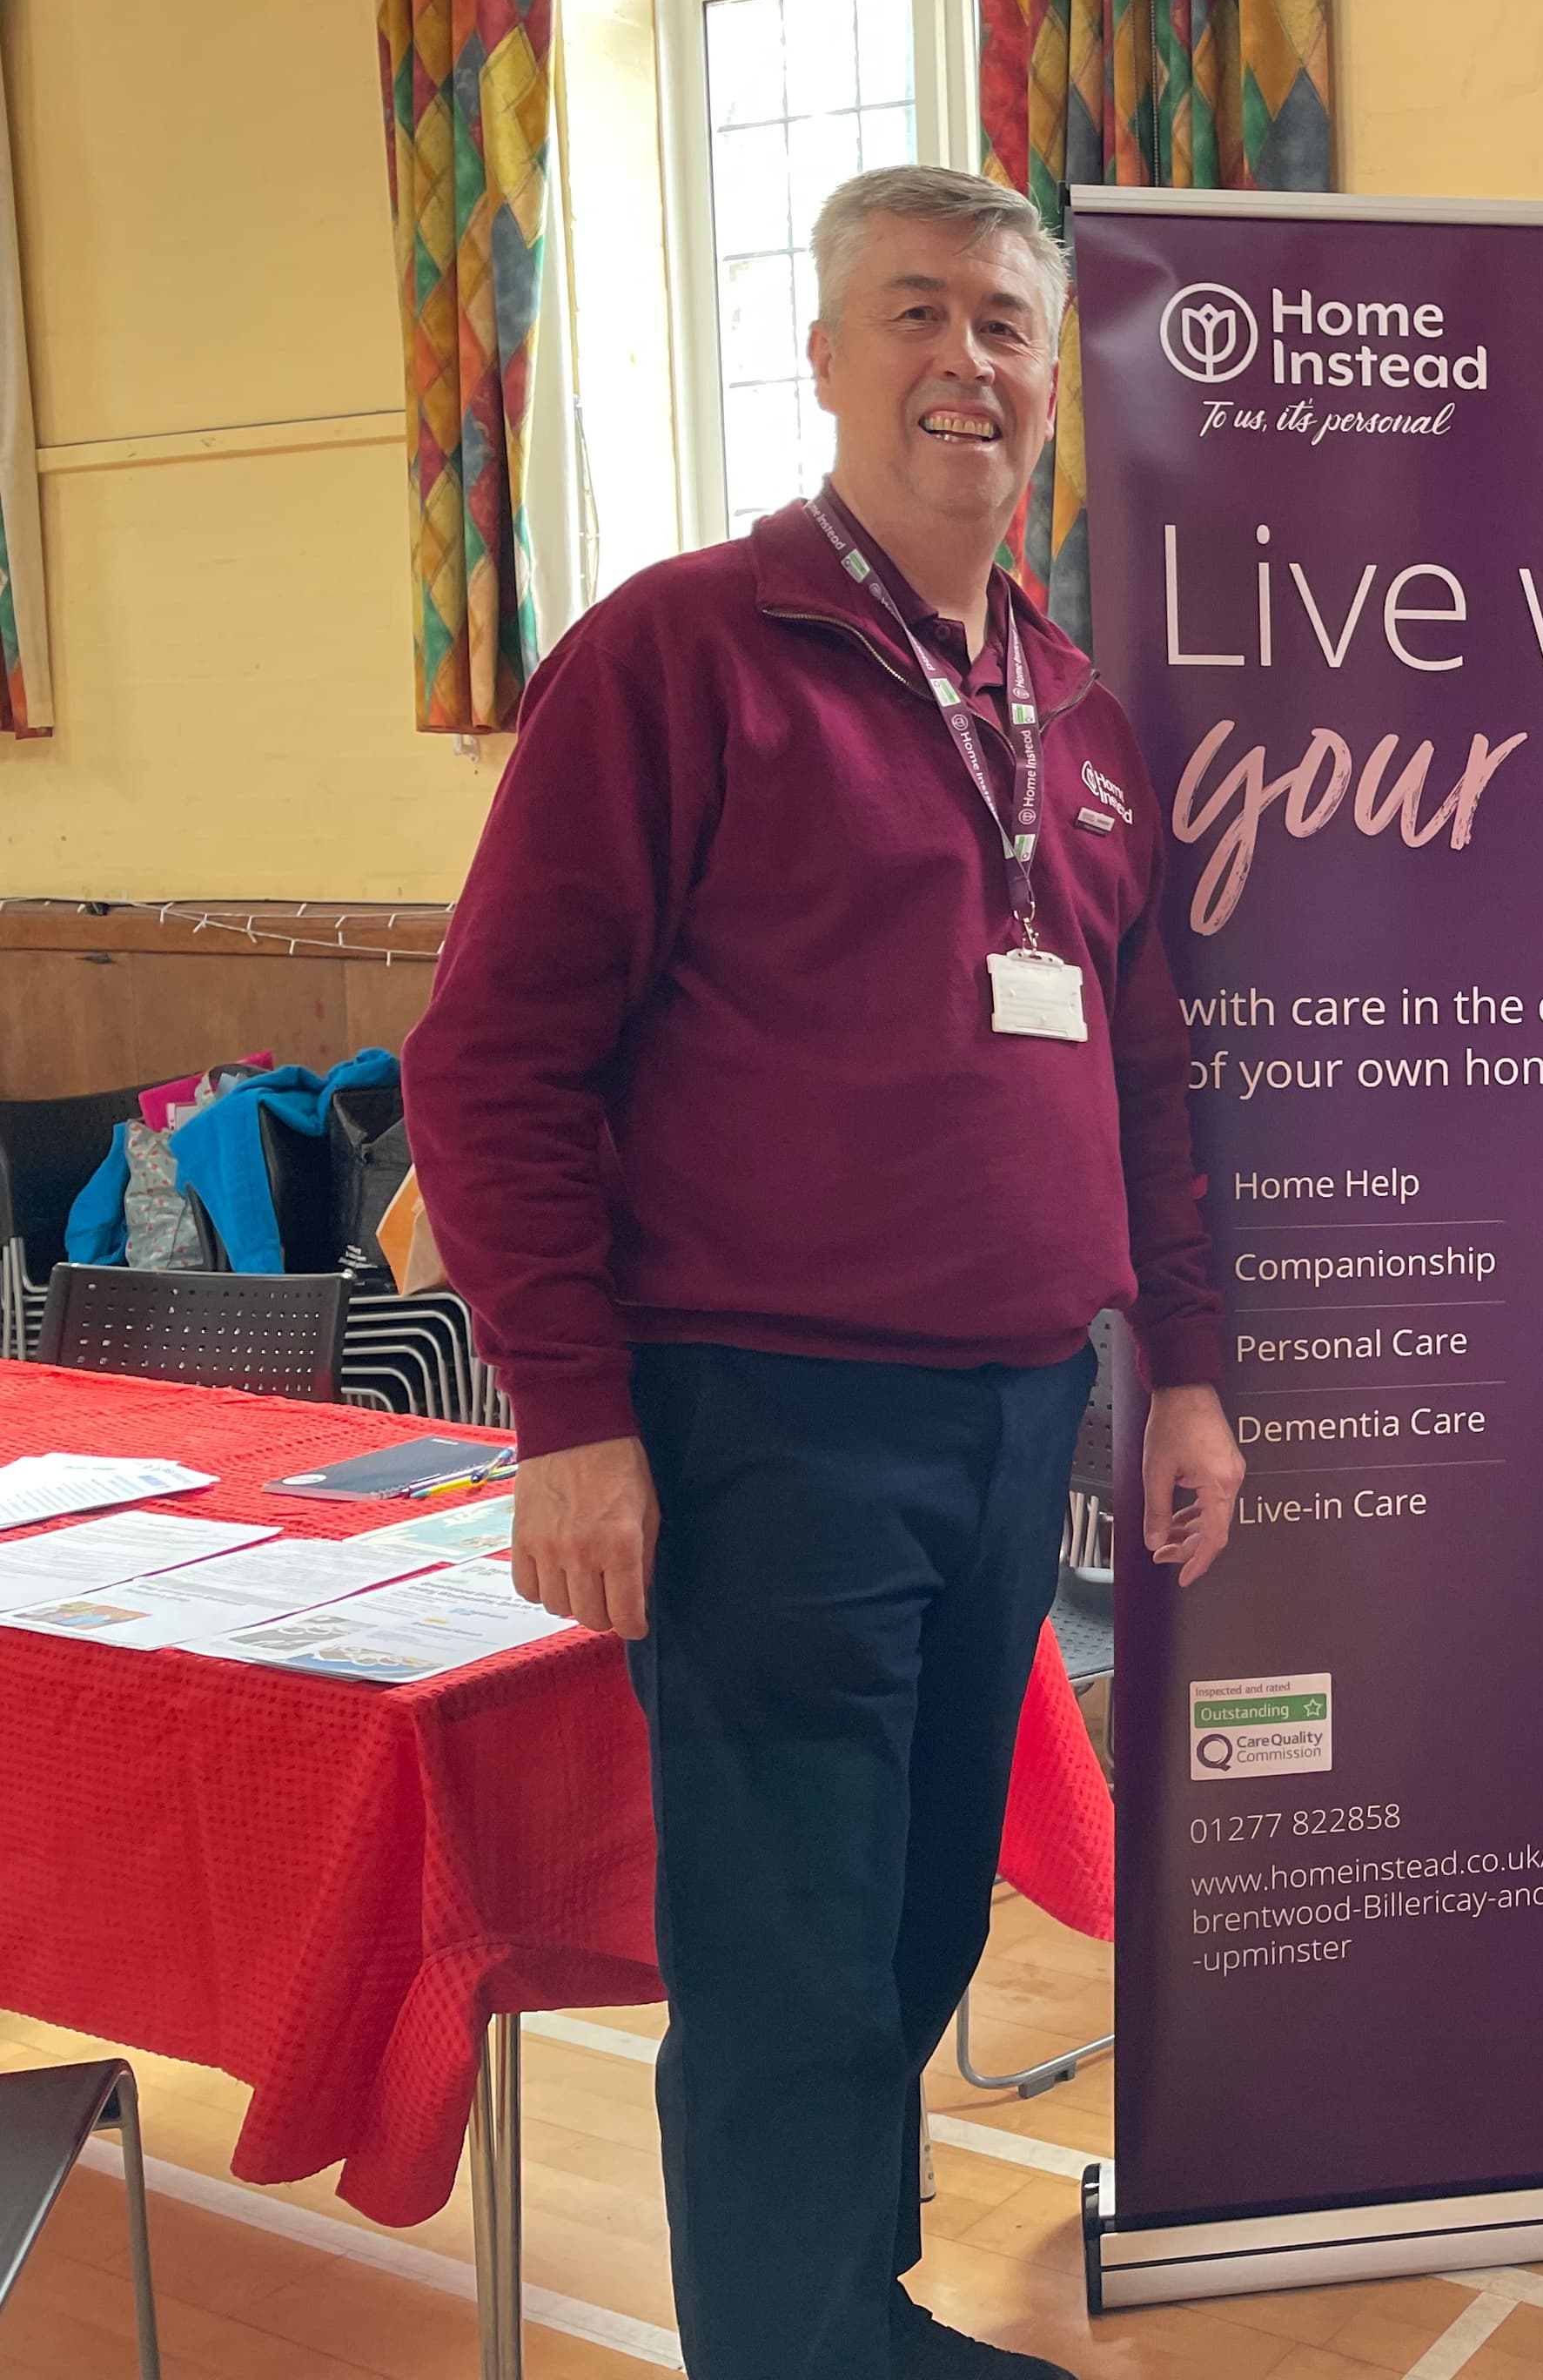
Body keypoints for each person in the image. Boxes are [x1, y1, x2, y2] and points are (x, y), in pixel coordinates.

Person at [405, 165, 1244, 2380]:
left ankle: (833, 2317)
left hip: (1010, 1411)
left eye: (1001, 324)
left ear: (1053, 382)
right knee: (783, 1943)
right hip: (760, 1413)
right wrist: (570, 1418)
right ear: (822, 355)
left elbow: (1146, 1075)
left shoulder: (1072, 705)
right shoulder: (679, 654)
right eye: (913, 313)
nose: (961, 360)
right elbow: (490, 1059)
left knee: (908, 1912)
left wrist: (1187, 1368)